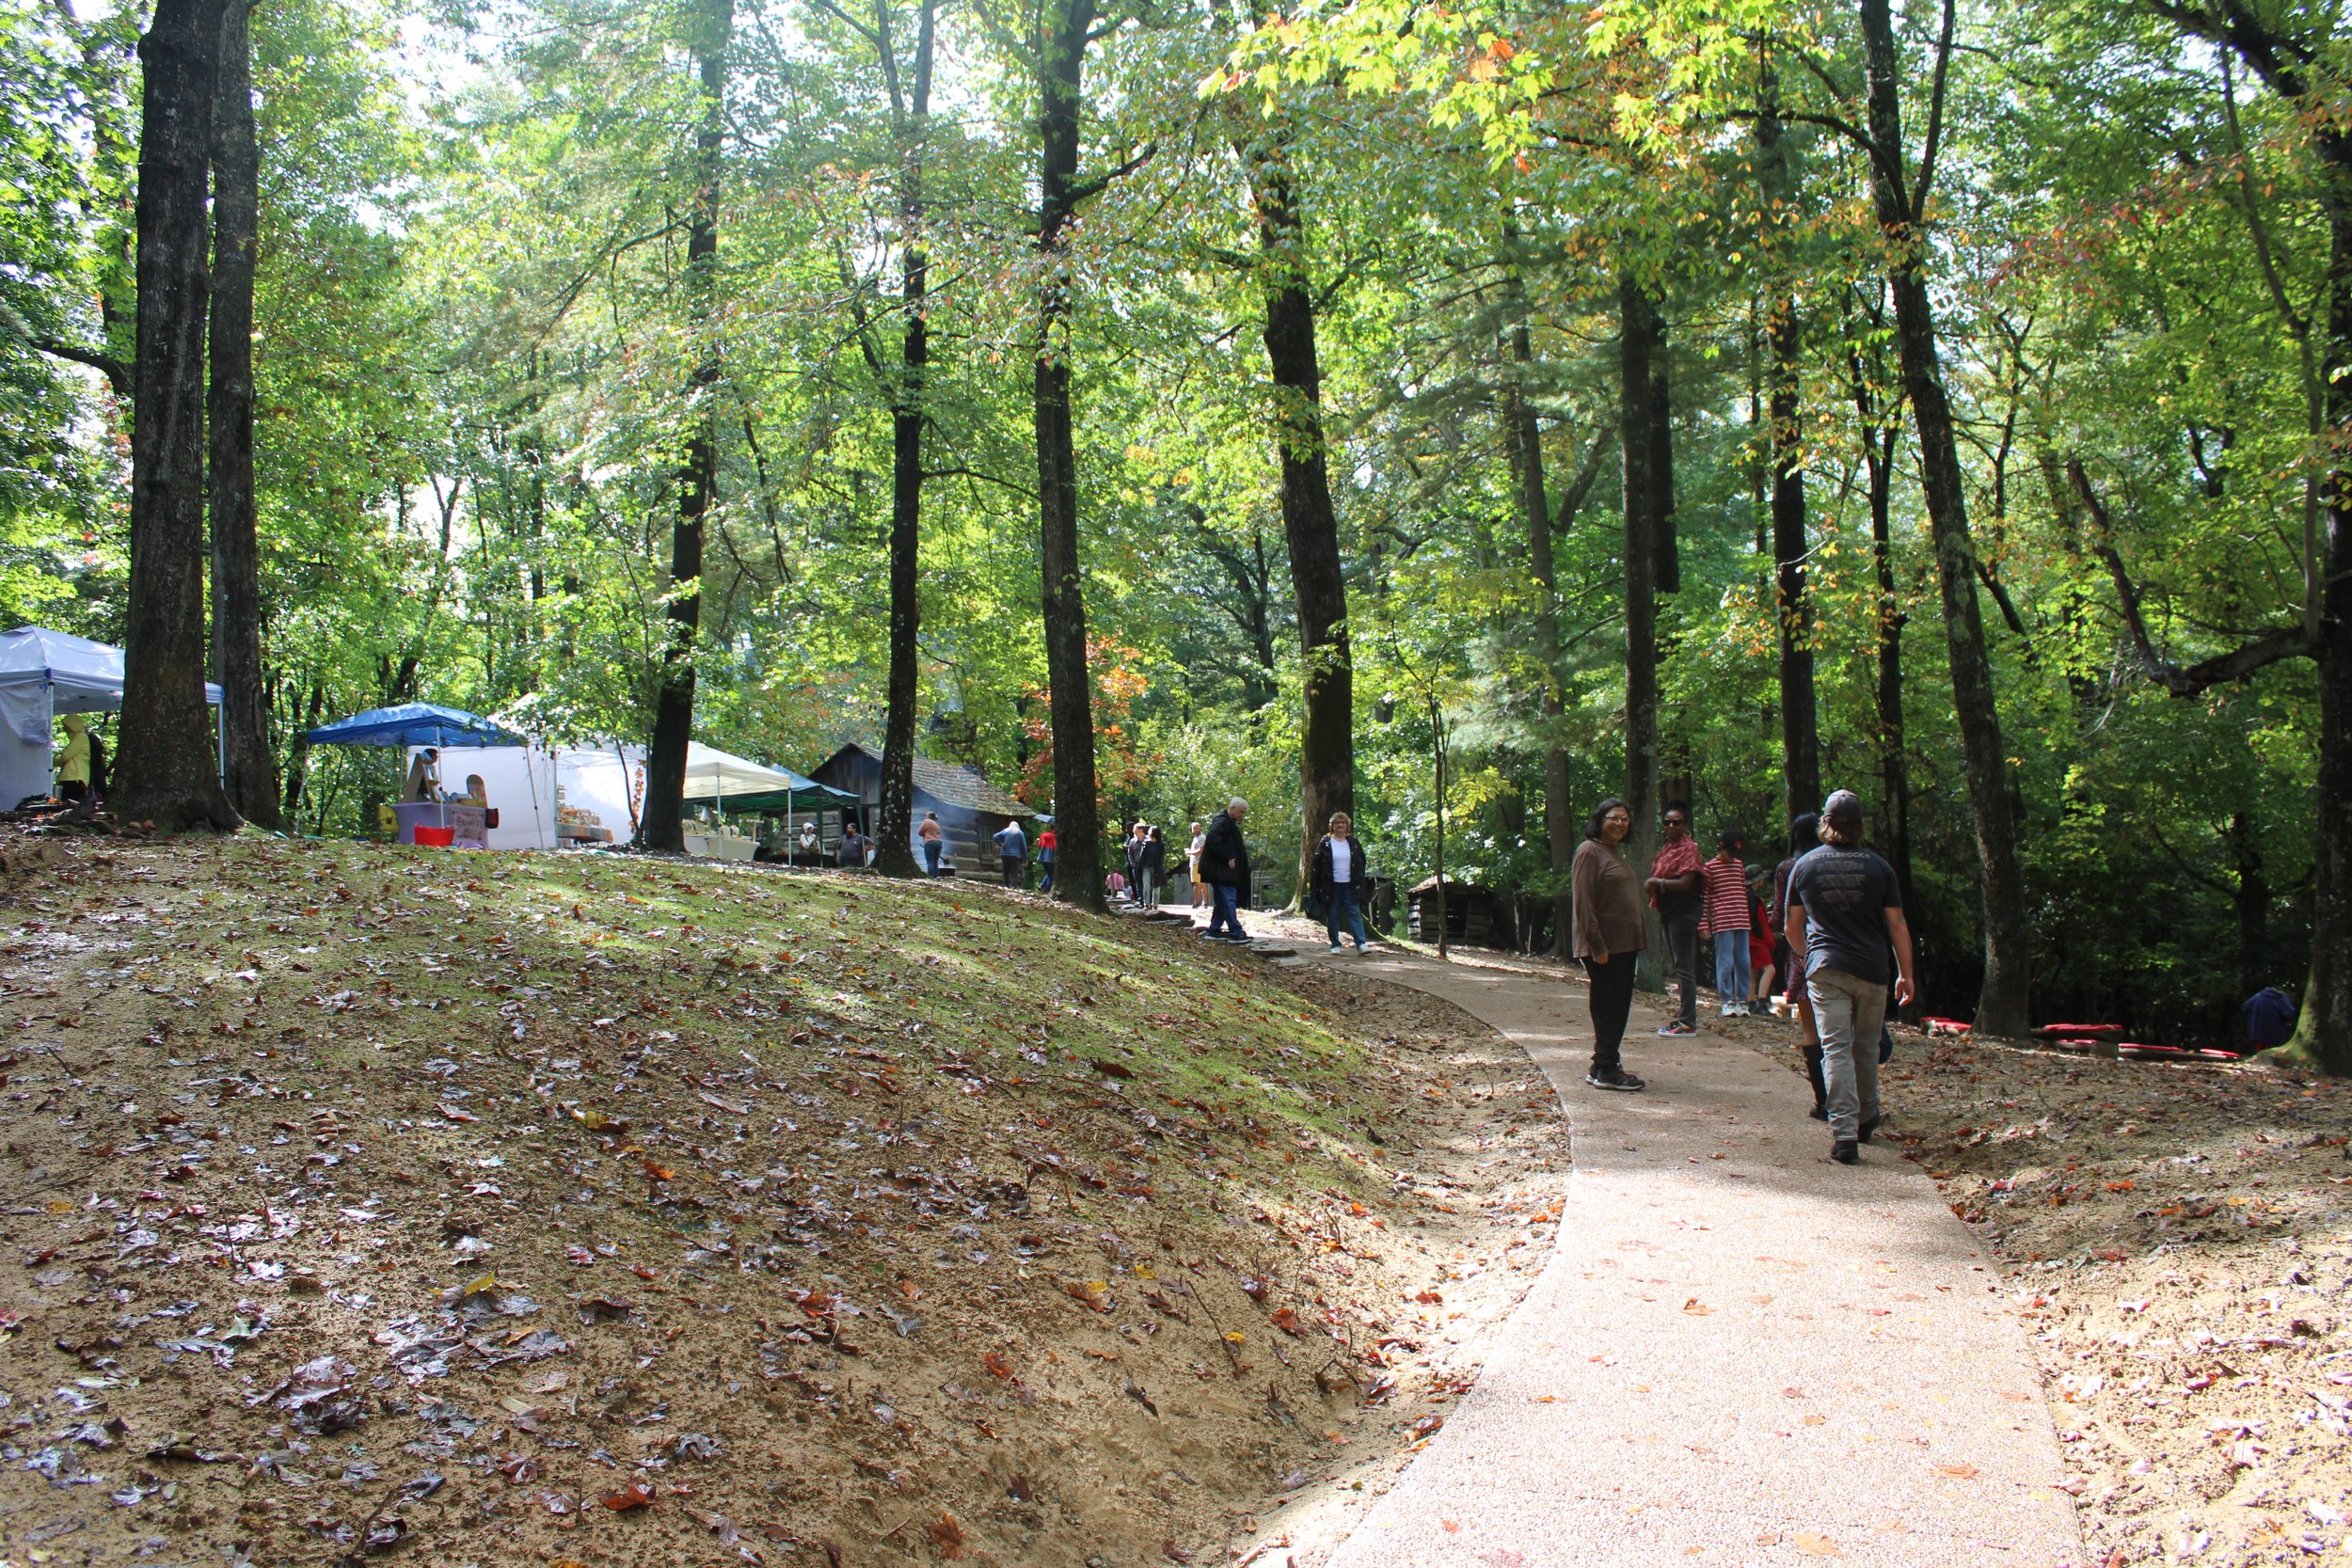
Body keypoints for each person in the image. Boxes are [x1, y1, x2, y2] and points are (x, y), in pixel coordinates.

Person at [1785, 790, 1916, 1164]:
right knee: (1866, 1047)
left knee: (1835, 1049)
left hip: (1826, 968)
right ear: (1860, 825)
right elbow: (1897, 923)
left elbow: (1792, 926)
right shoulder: (1879, 867)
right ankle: (1864, 1119)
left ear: (1825, 822)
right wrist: (1906, 974)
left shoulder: (1805, 866)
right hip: (1872, 969)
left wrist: (1808, 955)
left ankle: (1844, 1135)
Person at [1572, 798, 1647, 1092]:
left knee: (1617, 1005)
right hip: (1605, 948)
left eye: (1625, 819)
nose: (1619, 823)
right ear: (1600, 820)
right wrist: (1597, 945)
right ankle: (1606, 1068)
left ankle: (1602, 1064)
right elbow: (1583, 901)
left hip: (1624, 945)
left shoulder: (1613, 853)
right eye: (1613, 817)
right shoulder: (1589, 851)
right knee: (1609, 1006)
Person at [1776, 812, 1827, 1117]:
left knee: (1811, 1031)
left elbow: (1782, 915)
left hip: (1802, 952)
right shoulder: (1829, 862)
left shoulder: (1788, 868)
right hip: (1835, 949)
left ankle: (1823, 1102)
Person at [1645, 801, 1703, 1036]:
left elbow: (1685, 883)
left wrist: (1655, 883)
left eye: (1676, 822)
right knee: (1681, 966)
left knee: (1684, 966)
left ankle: (1688, 1021)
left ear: (1685, 824)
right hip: (1670, 911)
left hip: (1684, 910)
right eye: (1666, 822)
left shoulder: (1689, 848)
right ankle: (1684, 1017)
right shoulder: (1668, 848)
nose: (1670, 826)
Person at [1699, 830, 1753, 1018]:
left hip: (1742, 920)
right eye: (1730, 852)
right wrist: (1704, 923)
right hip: (1723, 920)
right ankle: (1726, 1001)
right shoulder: (1710, 868)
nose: (1732, 857)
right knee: (1726, 962)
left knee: (1744, 962)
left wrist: (1747, 916)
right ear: (1721, 846)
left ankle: (1741, 1001)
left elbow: (1742, 891)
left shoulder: (1739, 865)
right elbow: (1705, 897)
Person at [1310, 811, 1374, 954]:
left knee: (1354, 913)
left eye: (1343, 823)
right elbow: (1317, 866)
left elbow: (1362, 861)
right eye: (1337, 823)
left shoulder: (1353, 843)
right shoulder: (1325, 843)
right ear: (1332, 826)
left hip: (1350, 885)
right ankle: (1335, 945)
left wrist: (1359, 880)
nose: (1340, 825)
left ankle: (1361, 944)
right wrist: (1314, 887)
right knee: (1333, 914)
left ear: (1347, 826)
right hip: (1331, 886)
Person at [1200, 798, 1251, 942]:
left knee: (1223, 901)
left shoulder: (1228, 822)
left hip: (1222, 871)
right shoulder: (1222, 821)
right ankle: (1235, 932)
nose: (1242, 815)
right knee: (1229, 899)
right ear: (1233, 808)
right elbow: (1212, 840)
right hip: (1220, 871)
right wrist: (1228, 857)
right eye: (1241, 811)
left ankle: (1213, 930)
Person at [1747, 883, 1778, 1009]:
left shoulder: (1749, 896)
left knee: (1752, 972)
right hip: (1756, 939)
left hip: (1751, 939)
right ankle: (1761, 1002)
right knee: (1770, 970)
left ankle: (1751, 1003)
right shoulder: (1751, 897)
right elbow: (1754, 919)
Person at [2244, 985, 2296, 1052]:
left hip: (2258, 1031)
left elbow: (2245, 1007)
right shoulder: (2280, 997)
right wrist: (2289, 1022)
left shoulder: (2258, 996)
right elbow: (2289, 1012)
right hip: (2275, 1031)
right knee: (2273, 1052)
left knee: (2260, 1052)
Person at [54, 714, 91, 802]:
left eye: (66, 726)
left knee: (69, 804)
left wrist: (54, 761)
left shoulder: (80, 737)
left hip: (73, 778)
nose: (64, 728)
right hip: (71, 778)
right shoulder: (77, 738)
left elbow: (66, 756)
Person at [1136, 825, 1166, 909]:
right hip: (1146, 867)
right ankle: (1147, 904)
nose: (1149, 833)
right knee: (1146, 885)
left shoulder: (1161, 845)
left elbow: (1161, 858)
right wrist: (1140, 867)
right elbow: (1142, 856)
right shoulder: (1146, 843)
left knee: (1156, 886)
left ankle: (1155, 904)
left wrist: (1158, 870)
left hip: (1157, 868)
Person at [993, 817, 1028, 887]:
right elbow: (1024, 847)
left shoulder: (1005, 830)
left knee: (1006, 871)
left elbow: (995, 836)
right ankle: (1013, 886)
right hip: (1015, 855)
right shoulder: (1020, 833)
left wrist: (1001, 844)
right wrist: (1025, 860)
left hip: (1005, 854)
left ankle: (1006, 886)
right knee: (1014, 872)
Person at [1187, 821, 1208, 908]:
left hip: (1198, 863)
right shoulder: (1196, 838)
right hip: (1196, 862)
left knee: (1196, 883)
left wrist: (1190, 852)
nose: (1195, 830)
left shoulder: (1201, 837)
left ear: (1200, 828)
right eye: (1193, 828)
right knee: (1202, 883)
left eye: (1196, 828)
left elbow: (1201, 851)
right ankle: (1205, 902)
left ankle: (1196, 903)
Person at [918, 811, 945, 877]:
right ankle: (936, 877)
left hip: (930, 843)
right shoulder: (937, 825)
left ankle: (930, 877)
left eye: (926, 816)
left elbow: (920, 832)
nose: (925, 817)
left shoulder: (926, 821)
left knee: (930, 862)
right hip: (939, 843)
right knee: (935, 862)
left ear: (929, 817)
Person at [1036, 822, 1057, 894]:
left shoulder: (1042, 835)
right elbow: (1055, 847)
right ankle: (1047, 890)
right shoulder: (1054, 837)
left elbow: (1039, 846)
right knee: (1051, 875)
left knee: (1049, 873)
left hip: (1042, 857)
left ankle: (1041, 885)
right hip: (1050, 858)